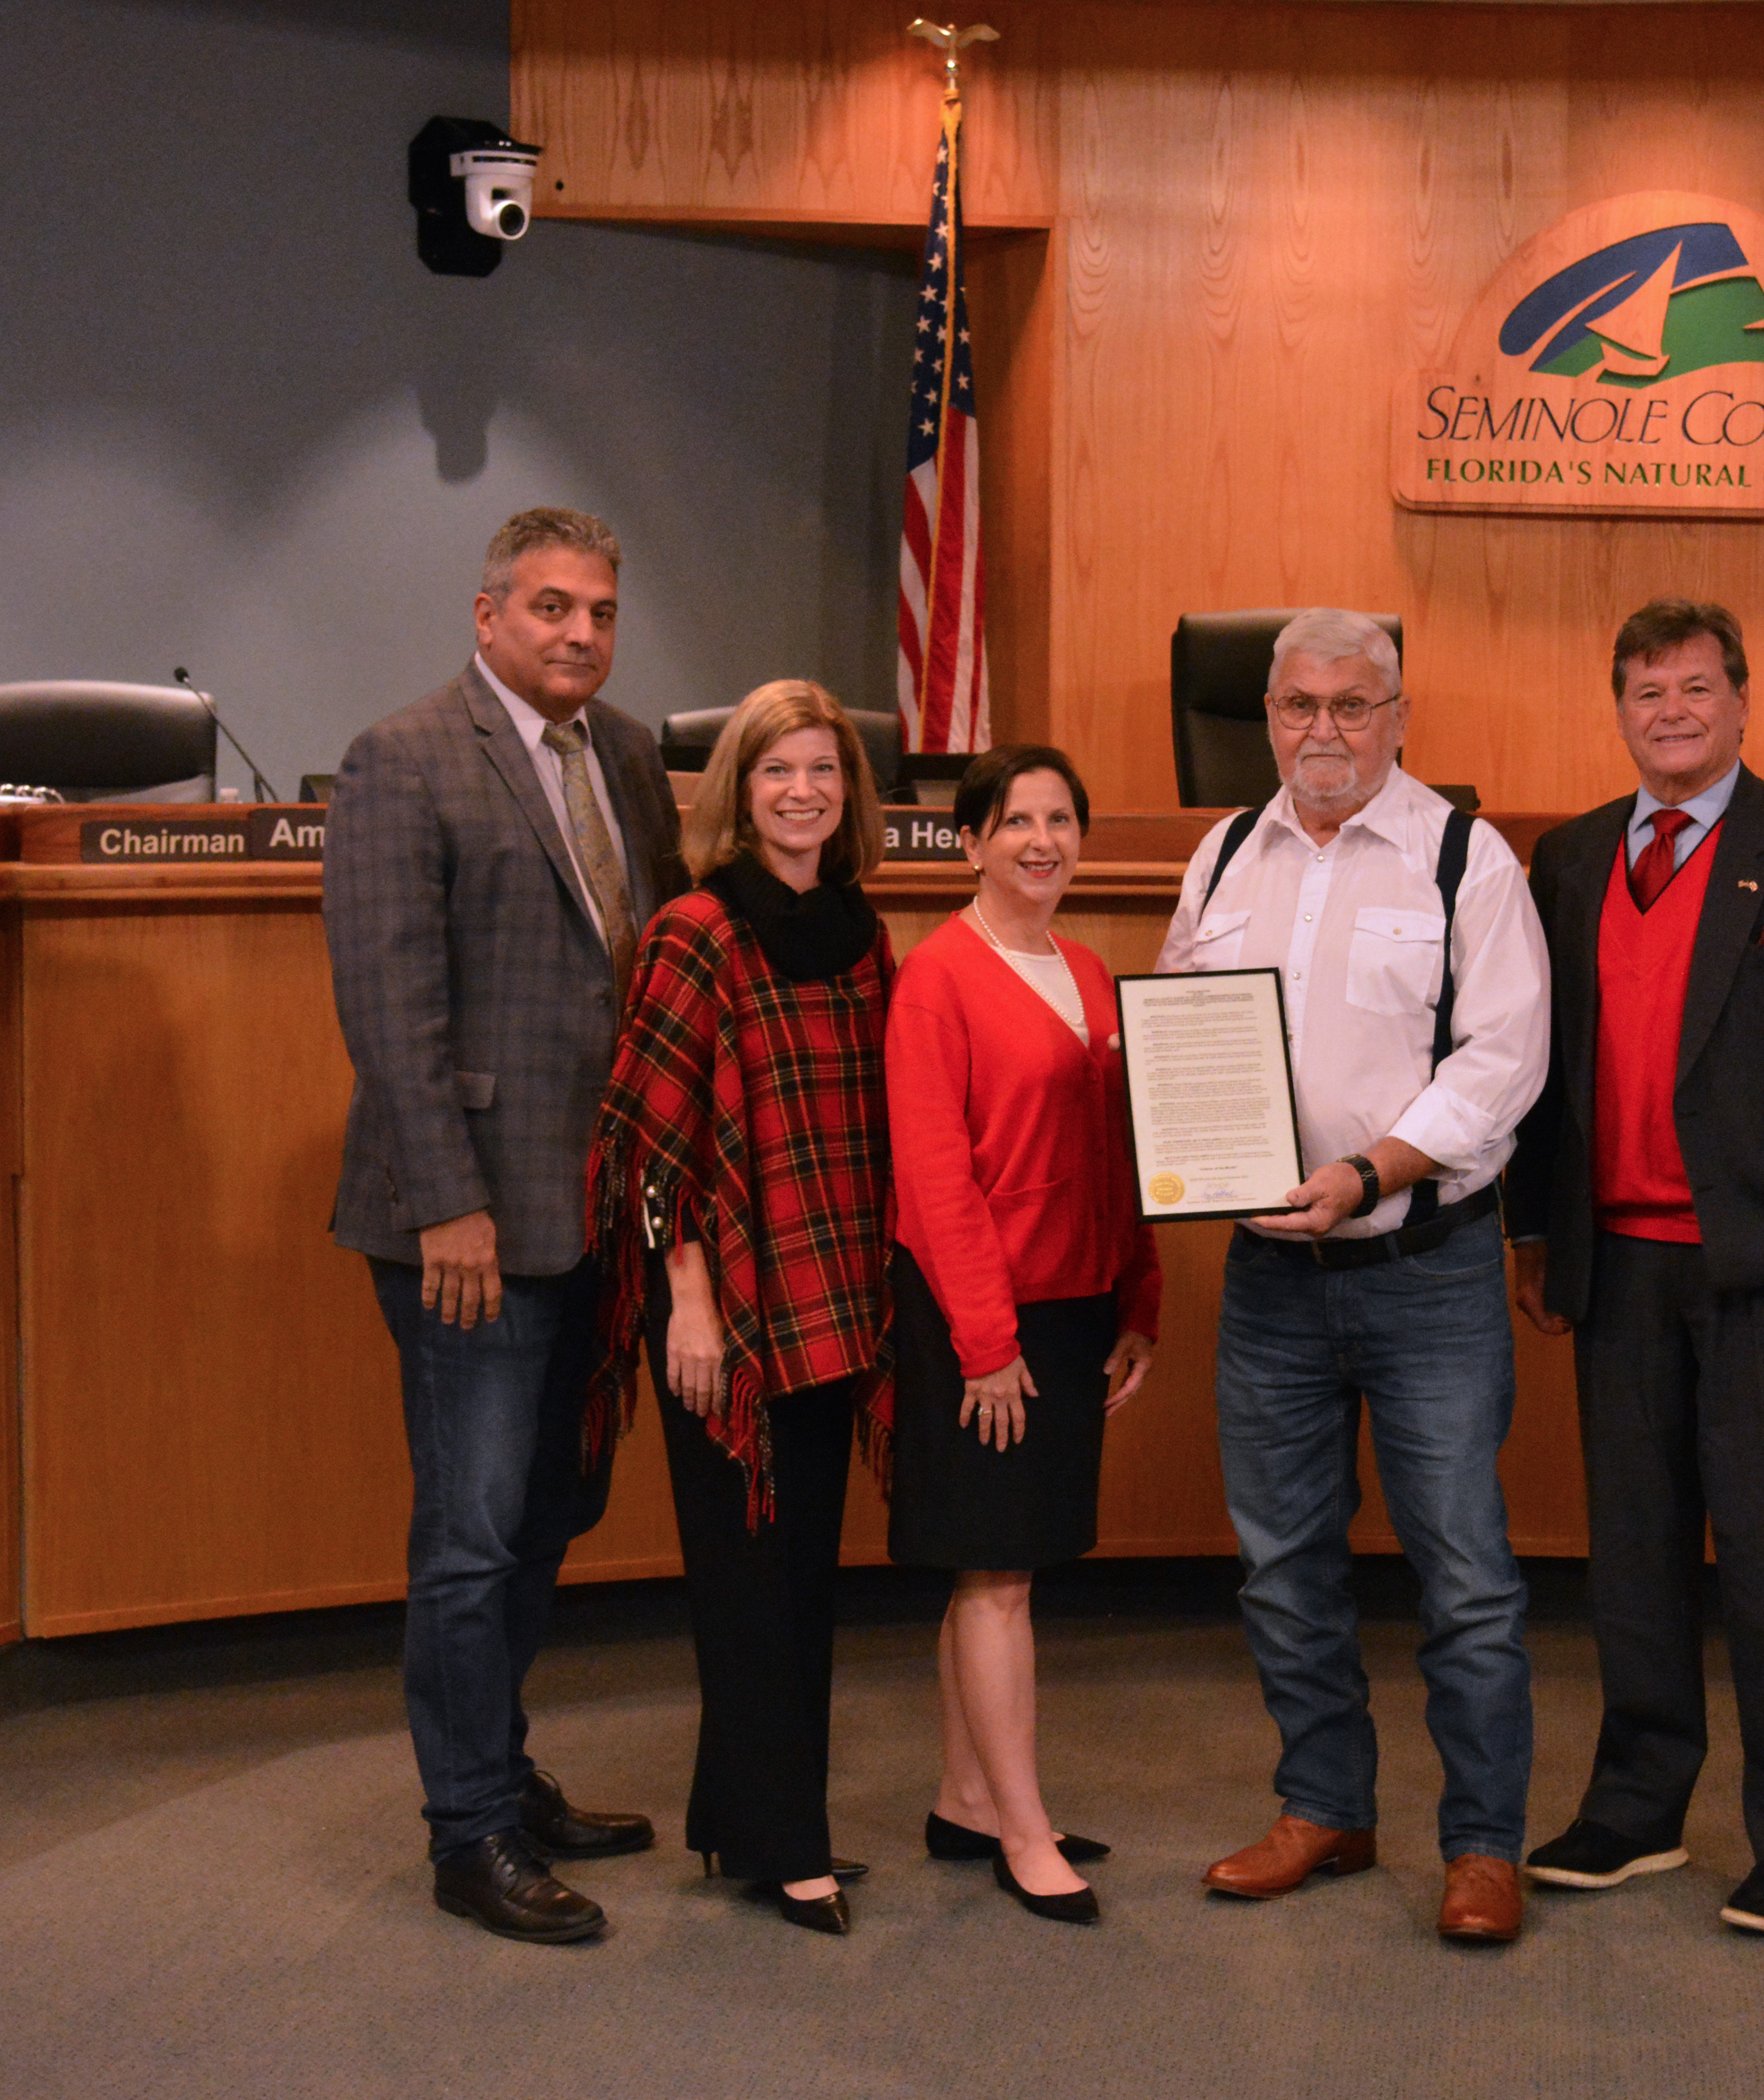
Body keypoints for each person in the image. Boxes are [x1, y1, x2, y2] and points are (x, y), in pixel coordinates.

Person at [1505, 598, 1764, 1936]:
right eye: (1645, 692)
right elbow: (1532, 1072)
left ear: (1742, 701)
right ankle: (1635, 1810)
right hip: (1614, 1262)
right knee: (1631, 1560)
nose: (1670, 712)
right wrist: (1529, 1227)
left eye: (1694, 689)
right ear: (1617, 709)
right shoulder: (1567, 861)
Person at [1158, 607, 1553, 1946]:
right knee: (1281, 1564)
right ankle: (1324, 1802)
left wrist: (1373, 1169)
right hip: (1268, 1281)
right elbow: (1184, 1028)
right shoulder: (1220, 856)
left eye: (1351, 705)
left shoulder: (1466, 859)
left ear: (1397, 715)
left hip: (1423, 1269)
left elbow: (1504, 1064)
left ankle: (1485, 1841)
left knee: (1465, 1572)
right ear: (1265, 715)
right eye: (1298, 705)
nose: (1322, 729)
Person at [322, 507, 680, 1944]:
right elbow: (389, 1012)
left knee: (549, 1517)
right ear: (487, 619)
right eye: (549, 609)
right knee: (469, 1538)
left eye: (598, 610)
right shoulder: (402, 760)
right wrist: (452, 1209)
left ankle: (500, 1765)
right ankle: (465, 1831)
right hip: (464, 1227)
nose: (579, 634)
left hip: (596, 1221)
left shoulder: (636, 758)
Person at [582, 679, 896, 1938]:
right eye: (777, 772)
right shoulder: (695, 932)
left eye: (823, 769)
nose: (803, 791)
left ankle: (742, 1814)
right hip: (723, 1306)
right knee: (748, 1578)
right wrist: (688, 1304)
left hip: (829, 1294)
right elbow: (649, 1146)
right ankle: (787, 1843)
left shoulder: (860, 931)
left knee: (803, 1575)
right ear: (737, 793)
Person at [884, 742, 1161, 1928]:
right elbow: (935, 1175)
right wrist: (985, 1341)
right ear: (970, 841)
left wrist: (1138, 1297)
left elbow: (1119, 1154)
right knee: (997, 1576)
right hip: (978, 1318)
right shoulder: (938, 977)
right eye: (1016, 821)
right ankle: (1026, 1826)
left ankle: (967, 1797)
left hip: (1073, 1307)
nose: (1042, 840)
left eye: (1061, 818)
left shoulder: (1093, 971)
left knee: (1000, 1568)